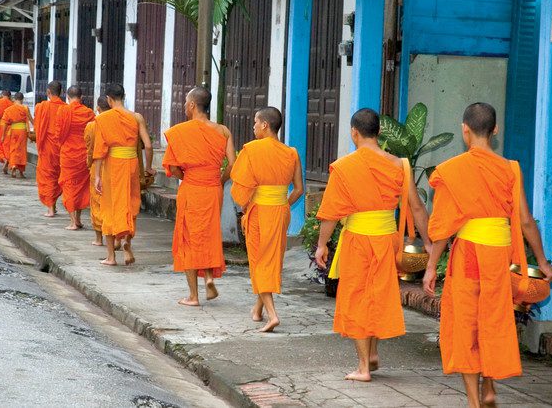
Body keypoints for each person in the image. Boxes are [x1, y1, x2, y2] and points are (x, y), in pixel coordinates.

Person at [422, 102, 552, 407]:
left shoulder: (452, 170)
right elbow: (524, 221)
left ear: (464, 130)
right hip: (498, 257)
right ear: (495, 130)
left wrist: (431, 266)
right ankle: (490, 386)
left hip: (468, 255)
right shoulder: (510, 169)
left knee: (466, 324)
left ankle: (473, 399)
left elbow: (442, 227)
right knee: (493, 320)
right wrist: (544, 262)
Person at [314, 108, 431, 382]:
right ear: (379, 132)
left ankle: (364, 366)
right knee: (377, 295)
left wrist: (322, 245)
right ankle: (375, 352)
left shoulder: (344, 167)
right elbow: (416, 207)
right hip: (387, 239)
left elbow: (331, 214)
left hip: (358, 240)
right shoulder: (399, 164)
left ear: (354, 133)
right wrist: (428, 243)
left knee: (356, 298)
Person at [230, 107, 303, 332]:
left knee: (260, 262)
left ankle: (272, 315)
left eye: (255, 122)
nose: (253, 127)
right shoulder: (291, 153)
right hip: (280, 211)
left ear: (264, 125)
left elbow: (241, 188)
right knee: (271, 260)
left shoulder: (251, 150)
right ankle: (258, 309)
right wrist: (282, 205)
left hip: (259, 212)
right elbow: (299, 190)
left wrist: (247, 206)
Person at [163, 86, 235, 306]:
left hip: (192, 187)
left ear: (193, 104)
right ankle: (210, 277)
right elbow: (232, 163)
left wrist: (188, 175)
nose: (184, 106)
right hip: (213, 188)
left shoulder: (179, 131)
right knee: (209, 234)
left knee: (188, 238)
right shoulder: (223, 130)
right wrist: (220, 181)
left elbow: (173, 168)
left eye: (186, 102)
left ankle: (193, 296)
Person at [93, 84, 155, 265]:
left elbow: (99, 151)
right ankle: (127, 241)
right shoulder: (136, 117)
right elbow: (148, 146)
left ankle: (111, 257)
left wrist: (97, 176)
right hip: (132, 165)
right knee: (130, 203)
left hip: (112, 166)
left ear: (109, 99)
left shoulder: (103, 118)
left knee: (110, 206)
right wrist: (148, 168)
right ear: (124, 96)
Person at [56, 86, 96, 231]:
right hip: (84, 154)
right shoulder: (89, 113)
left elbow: (58, 133)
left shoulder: (63, 111)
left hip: (68, 154)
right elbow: (93, 133)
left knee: (69, 186)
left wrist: (60, 144)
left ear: (67, 97)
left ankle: (73, 221)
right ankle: (78, 219)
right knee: (81, 187)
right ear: (81, 96)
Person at [34, 81, 67, 217]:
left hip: (47, 147)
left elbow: (38, 126)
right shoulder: (66, 108)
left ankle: (50, 208)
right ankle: (52, 204)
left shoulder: (42, 107)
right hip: (61, 148)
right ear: (62, 92)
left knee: (47, 176)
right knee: (57, 176)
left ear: (48, 92)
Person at [85, 95, 110, 246]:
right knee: (111, 202)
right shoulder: (118, 123)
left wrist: (89, 163)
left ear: (98, 108)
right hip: (114, 166)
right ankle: (115, 239)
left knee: (96, 202)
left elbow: (89, 148)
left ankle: (99, 239)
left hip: (97, 166)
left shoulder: (92, 125)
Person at [1, 92, 33, 178]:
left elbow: (5, 123)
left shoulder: (9, 109)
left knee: (13, 149)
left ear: (14, 99)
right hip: (22, 131)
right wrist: (36, 129)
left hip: (13, 131)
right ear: (22, 99)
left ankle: (14, 166)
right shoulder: (25, 108)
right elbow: (31, 120)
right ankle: (21, 171)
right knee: (21, 150)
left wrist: (3, 135)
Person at [0, 90, 14, 174]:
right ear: (10, 96)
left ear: (1, 95)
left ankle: (5, 160)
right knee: (8, 146)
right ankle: (8, 161)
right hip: (10, 127)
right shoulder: (13, 104)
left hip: (1, 125)